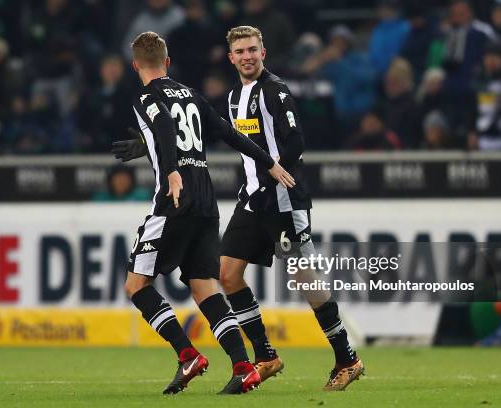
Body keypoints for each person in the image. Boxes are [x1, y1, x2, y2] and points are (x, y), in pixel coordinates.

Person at [114, 31, 295, 395]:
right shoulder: (192, 95)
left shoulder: (146, 95)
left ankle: (187, 355)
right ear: (167, 62)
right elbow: (228, 134)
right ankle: (244, 367)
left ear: (136, 66)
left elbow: (164, 123)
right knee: (204, 286)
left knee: (136, 286)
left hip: (173, 201)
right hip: (206, 203)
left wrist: (170, 170)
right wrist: (268, 162)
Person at [219, 25, 364, 391]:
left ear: (263, 52)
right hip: (252, 200)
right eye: (240, 52)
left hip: (282, 200)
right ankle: (266, 356)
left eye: (253, 49)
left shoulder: (275, 90)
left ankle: (347, 359)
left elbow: (295, 141)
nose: (247, 56)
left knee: (305, 281)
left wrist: (271, 179)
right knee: (227, 274)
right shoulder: (235, 95)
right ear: (231, 58)